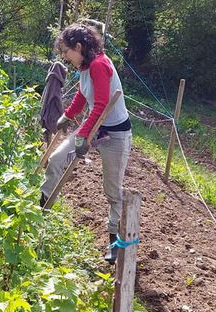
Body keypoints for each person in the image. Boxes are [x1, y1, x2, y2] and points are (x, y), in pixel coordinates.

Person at [40, 22, 132, 264]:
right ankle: (42, 209)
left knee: (112, 190)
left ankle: (115, 242)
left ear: (78, 47)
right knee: (57, 159)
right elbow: (83, 94)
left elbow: (101, 104)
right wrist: (67, 116)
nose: (65, 57)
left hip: (116, 133)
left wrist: (83, 136)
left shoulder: (100, 65)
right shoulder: (84, 66)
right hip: (96, 124)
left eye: (66, 52)